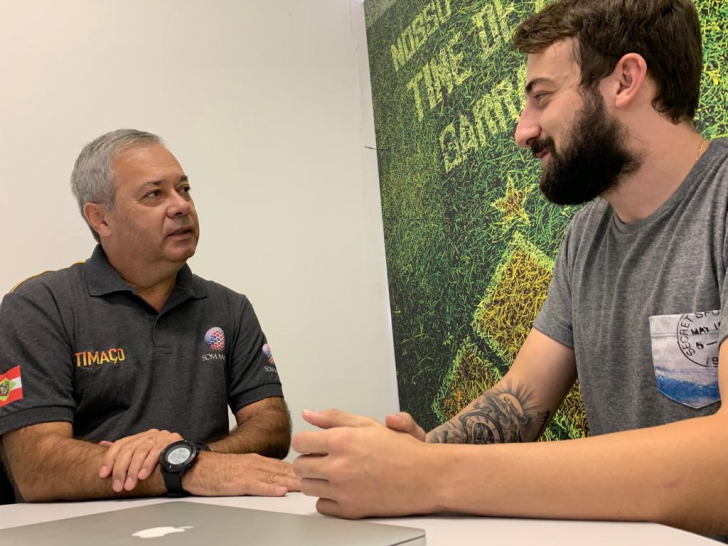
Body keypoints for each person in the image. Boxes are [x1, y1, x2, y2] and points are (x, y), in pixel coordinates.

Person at [292, 0, 728, 538]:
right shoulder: (587, 236)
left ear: (626, 80)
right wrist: (404, 457)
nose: (524, 131)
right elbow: (521, 399)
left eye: (542, 97)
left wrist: (430, 475)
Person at [0, 129, 300, 501]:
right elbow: (36, 467)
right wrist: (184, 470)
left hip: (210, 518)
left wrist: (186, 461)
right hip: (84, 525)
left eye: (185, 189)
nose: (181, 206)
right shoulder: (41, 306)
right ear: (100, 219)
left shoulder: (228, 306)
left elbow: (271, 427)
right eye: (154, 194)